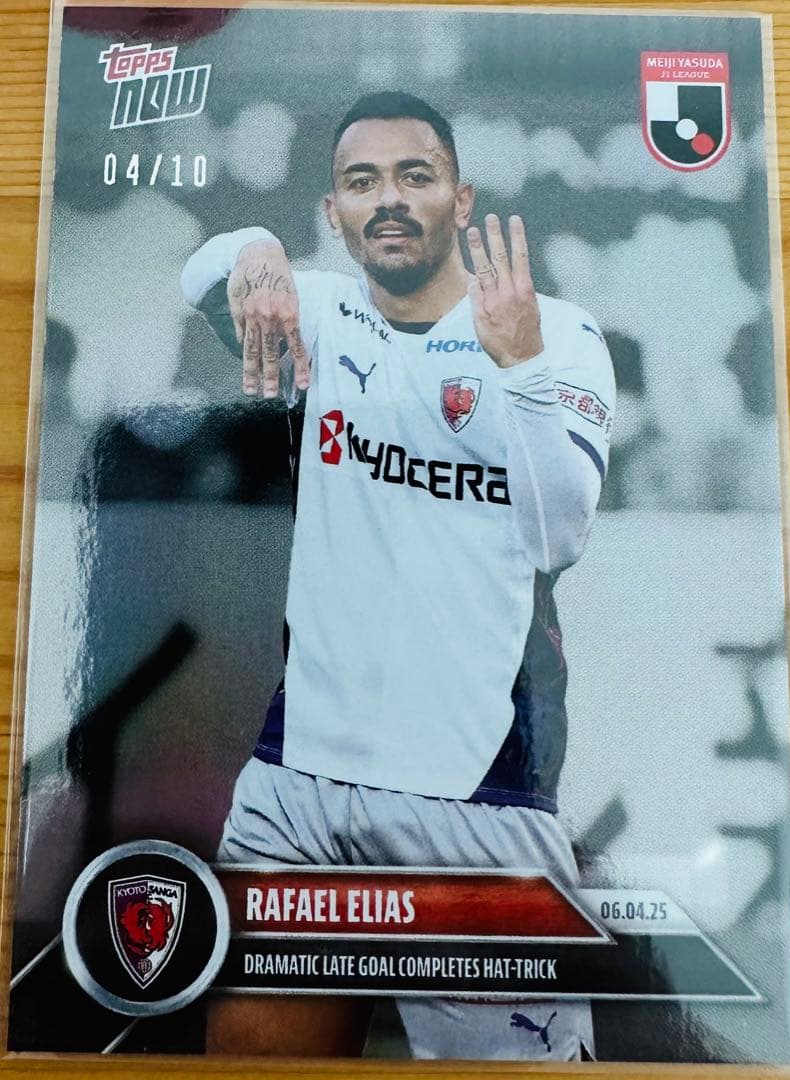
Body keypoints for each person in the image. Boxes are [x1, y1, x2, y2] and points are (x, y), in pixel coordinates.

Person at [181, 91, 614, 1061]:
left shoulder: (555, 331)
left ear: (461, 199)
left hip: (475, 795)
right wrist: (256, 250)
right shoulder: (321, 316)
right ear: (333, 211)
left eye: (414, 176)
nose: (388, 199)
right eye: (361, 181)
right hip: (297, 780)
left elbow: (558, 537)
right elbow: (201, 273)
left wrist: (519, 368)